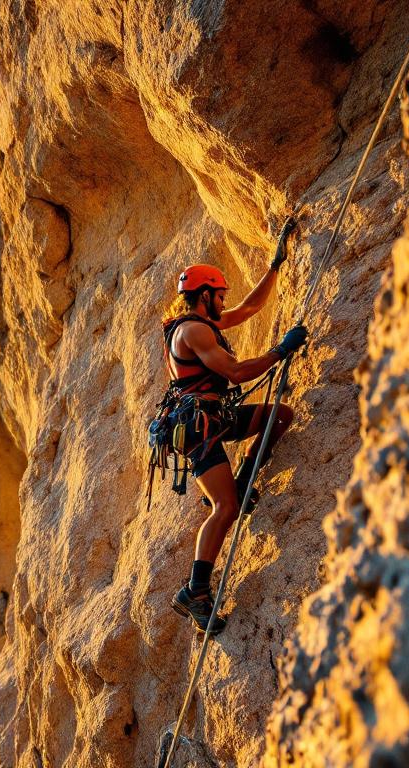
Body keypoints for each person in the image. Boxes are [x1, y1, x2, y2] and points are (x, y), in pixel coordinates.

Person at [161, 242, 307, 635]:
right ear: (204, 295)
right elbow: (239, 373)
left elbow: (248, 310)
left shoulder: (203, 323)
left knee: (279, 415)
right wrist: (280, 350)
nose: (224, 302)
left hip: (216, 418)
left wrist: (274, 268)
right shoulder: (192, 330)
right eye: (219, 295)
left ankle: (244, 480)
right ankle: (195, 590)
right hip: (199, 429)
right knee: (224, 507)